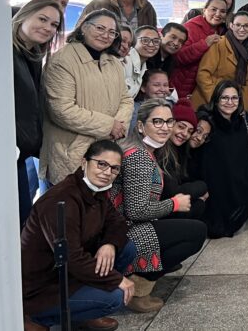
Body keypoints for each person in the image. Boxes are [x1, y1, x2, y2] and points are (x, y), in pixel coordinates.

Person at [21, 140, 135, 331]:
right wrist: (116, 279)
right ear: (84, 162)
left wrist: (109, 244)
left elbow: (118, 222)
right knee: (115, 297)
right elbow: (71, 257)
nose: (107, 172)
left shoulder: (96, 191)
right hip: (42, 286)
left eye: (114, 168)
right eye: (101, 164)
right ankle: (36, 318)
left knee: (126, 248)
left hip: (69, 272)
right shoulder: (62, 199)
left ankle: (83, 312)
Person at [108, 99, 207, 313]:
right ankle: (138, 284)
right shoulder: (138, 157)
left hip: (125, 225)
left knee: (191, 222)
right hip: (125, 231)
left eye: (169, 121)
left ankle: (139, 278)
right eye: (157, 121)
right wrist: (174, 204)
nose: (165, 127)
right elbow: (137, 211)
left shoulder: (143, 150)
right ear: (141, 126)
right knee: (197, 232)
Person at [41, 9, 134, 184]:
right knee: (68, 199)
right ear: (83, 28)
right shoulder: (62, 60)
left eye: (112, 32)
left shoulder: (113, 62)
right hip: (72, 152)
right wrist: (109, 125)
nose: (105, 35)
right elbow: (61, 110)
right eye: (100, 28)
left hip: (106, 149)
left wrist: (118, 126)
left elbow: (126, 99)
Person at [12, 0, 63, 226]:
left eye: (54, 24)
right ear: (23, 16)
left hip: (19, 155)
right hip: (6, 154)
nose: (48, 27)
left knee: (22, 219)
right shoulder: (5, 53)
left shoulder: (32, 56)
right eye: (42, 19)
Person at [196, 80, 248, 238]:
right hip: (214, 177)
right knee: (217, 228)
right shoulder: (208, 121)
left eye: (234, 98)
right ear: (216, 99)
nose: (229, 102)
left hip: (236, 172)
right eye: (224, 98)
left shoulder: (240, 122)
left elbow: (242, 153)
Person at [170, 0, 229, 106]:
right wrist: (204, 44)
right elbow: (178, 57)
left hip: (203, 89)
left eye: (222, 11)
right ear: (204, 10)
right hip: (182, 86)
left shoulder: (223, 31)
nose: (218, 14)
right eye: (213, 9)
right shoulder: (190, 27)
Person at [193, 10, 248, 111]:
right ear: (231, 26)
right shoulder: (219, 43)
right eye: (238, 25)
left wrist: (244, 106)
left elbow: (246, 79)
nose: (242, 29)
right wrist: (217, 100)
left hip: (233, 102)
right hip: (210, 101)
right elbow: (203, 75)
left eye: (246, 26)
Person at [158, 102, 208, 221]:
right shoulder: (162, 152)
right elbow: (173, 193)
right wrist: (202, 187)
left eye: (190, 131)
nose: (185, 134)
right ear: (170, 124)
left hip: (167, 208)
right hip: (158, 213)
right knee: (198, 206)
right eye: (181, 127)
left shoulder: (178, 150)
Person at [124, 25, 160, 98]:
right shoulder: (125, 60)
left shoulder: (143, 65)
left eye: (156, 41)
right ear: (134, 41)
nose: (151, 44)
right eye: (145, 40)